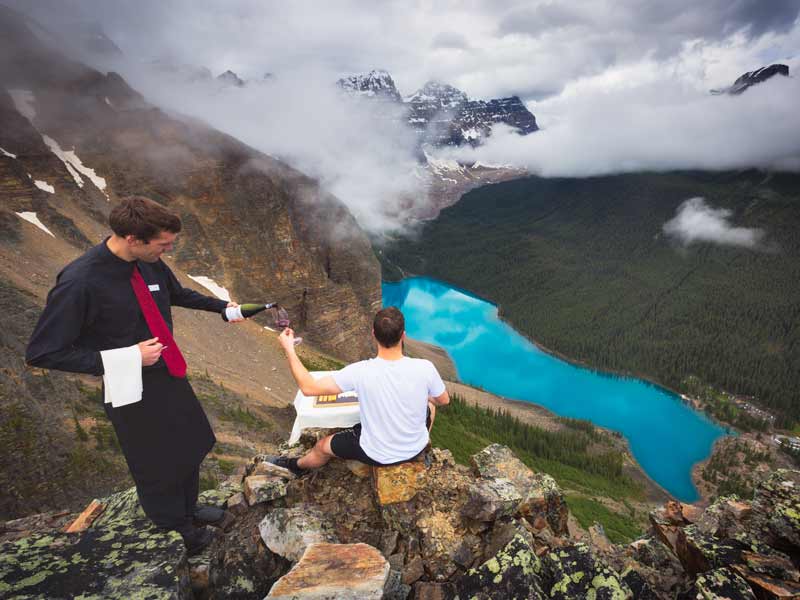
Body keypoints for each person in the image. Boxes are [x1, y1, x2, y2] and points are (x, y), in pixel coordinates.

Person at [26, 196, 239, 554]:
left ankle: (188, 509)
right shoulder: (80, 281)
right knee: (154, 460)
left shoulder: (150, 263)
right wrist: (128, 357)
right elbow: (43, 351)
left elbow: (176, 294)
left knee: (192, 441)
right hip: (129, 385)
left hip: (167, 370)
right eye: (163, 244)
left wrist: (224, 308)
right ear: (132, 239)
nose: (168, 250)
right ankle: (175, 528)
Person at [272, 306, 449, 475]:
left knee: (322, 447)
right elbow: (443, 400)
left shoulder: (359, 371)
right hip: (413, 449)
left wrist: (289, 348)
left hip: (374, 453)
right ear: (403, 335)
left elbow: (308, 387)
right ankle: (422, 450)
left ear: (374, 335)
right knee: (431, 407)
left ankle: (296, 466)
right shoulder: (425, 368)